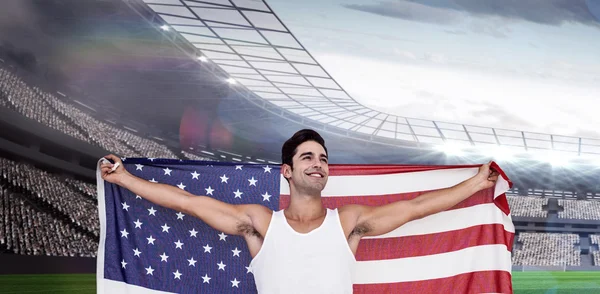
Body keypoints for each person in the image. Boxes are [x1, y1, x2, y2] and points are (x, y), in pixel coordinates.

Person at [100, 129, 499, 294]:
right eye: (307, 157)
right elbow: (188, 203)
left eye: (323, 158)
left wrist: (477, 184)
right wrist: (124, 180)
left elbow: (414, 208)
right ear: (287, 171)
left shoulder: (348, 222)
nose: (318, 163)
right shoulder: (260, 223)